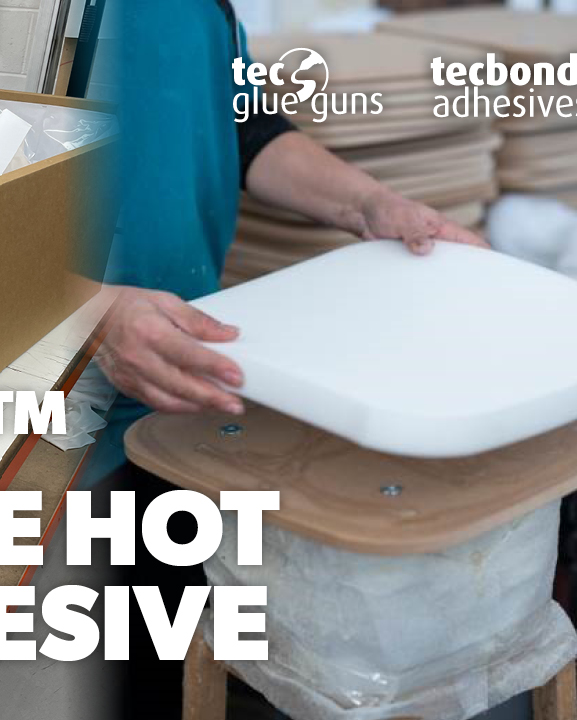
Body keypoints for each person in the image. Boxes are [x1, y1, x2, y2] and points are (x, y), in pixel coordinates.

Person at [83, 1, 486, 717]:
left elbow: (244, 127)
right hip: (30, 435)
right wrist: (88, 313)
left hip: (175, 406)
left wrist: (369, 204)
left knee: (157, 663)